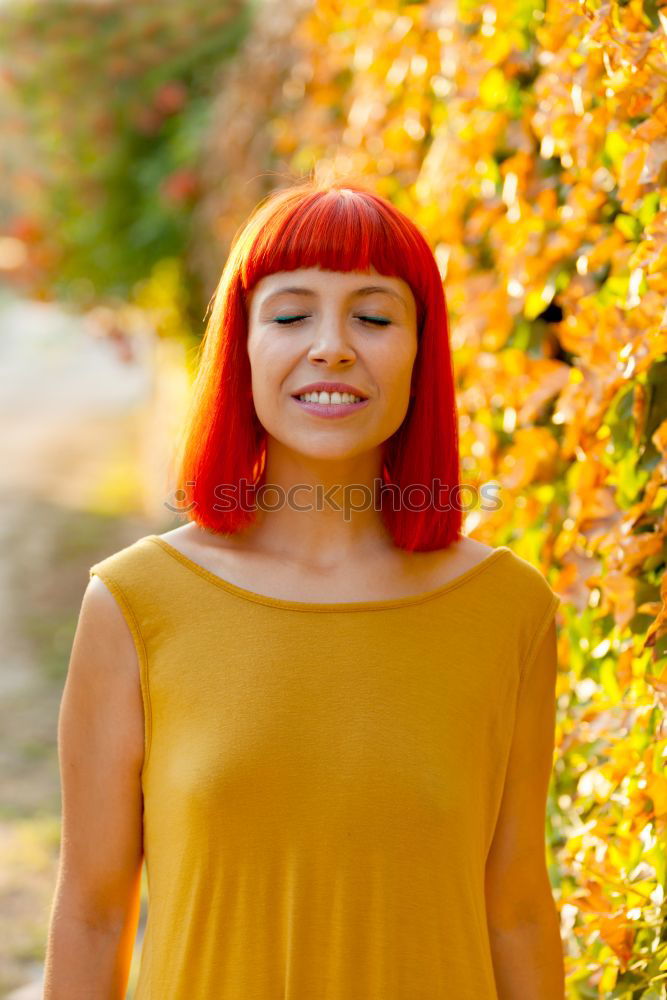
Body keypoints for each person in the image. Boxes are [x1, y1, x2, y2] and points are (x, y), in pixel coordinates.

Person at [44, 178, 565, 999]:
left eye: (373, 315)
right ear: (241, 348)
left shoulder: (510, 611)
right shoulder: (137, 603)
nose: (331, 346)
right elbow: (93, 914)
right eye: (290, 315)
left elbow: (517, 914)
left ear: (421, 352)